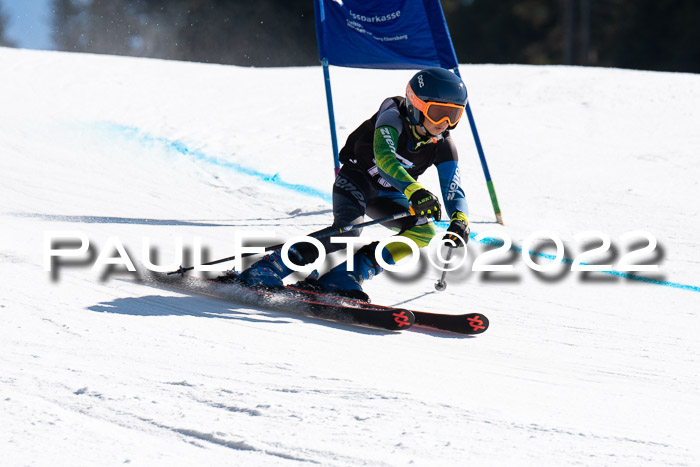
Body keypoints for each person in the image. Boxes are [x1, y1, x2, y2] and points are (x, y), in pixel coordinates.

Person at [236, 67, 471, 300]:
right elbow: (384, 160)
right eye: (438, 112)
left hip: (387, 195)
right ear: (415, 104)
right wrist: (415, 191)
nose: (444, 122)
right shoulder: (392, 116)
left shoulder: (443, 144)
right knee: (348, 231)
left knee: (423, 231)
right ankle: (268, 267)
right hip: (356, 180)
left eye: (454, 115)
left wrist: (460, 219)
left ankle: (345, 275)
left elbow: (453, 187)